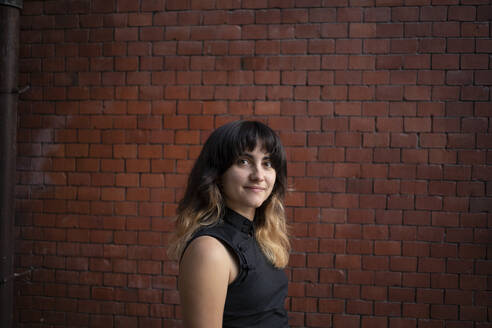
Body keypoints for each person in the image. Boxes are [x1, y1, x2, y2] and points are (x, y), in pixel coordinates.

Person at [168, 120, 290, 327]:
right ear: (217, 174)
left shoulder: (259, 236)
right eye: (243, 161)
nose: (259, 175)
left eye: (267, 163)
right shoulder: (210, 250)